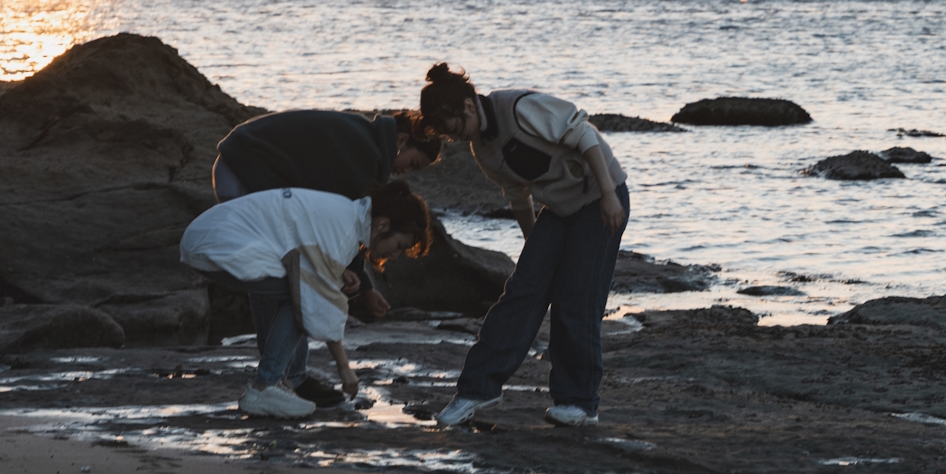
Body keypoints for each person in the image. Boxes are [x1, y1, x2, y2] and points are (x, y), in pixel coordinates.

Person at [416, 63, 629, 429]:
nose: (453, 138)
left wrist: (610, 194)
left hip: (599, 198)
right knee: (521, 291)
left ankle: (579, 403)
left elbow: (585, 135)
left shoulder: (518, 107)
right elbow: (518, 196)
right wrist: (536, 250)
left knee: (576, 299)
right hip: (559, 210)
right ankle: (477, 390)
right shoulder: (481, 149)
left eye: (452, 128)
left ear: (467, 105)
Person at [180, 181, 432, 418]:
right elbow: (319, 303)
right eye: (400, 245)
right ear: (383, 225)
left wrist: (334, 271)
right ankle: (263, 387)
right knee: (301, 295)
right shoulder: (344, 230)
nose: (396, 255)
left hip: (208, 236)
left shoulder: (344, 214)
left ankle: (276, 380)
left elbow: (299, 242)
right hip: (216, 242)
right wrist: (344, 368)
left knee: (302, 288)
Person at [209, 108, 444, 327]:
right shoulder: (365, 157)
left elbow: (347, 221)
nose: (406, 172)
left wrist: (364, 286)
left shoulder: (365, 135)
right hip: (243, 169)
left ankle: (279, 361)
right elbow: (352, 224)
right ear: (401, 141)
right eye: (412, 164)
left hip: (237, 160)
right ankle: (277, 362)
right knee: (282, 267)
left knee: (288, 264)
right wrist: (361, 282)